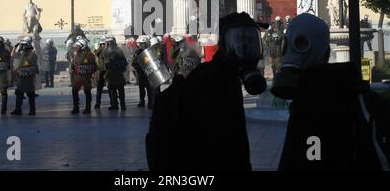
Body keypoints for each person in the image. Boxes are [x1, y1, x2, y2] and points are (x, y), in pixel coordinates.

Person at [146, 12, 268, 171]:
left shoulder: (227, 79)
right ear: (225, 44)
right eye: (238, 42)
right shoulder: (212, 80)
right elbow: (225, 146)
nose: (245, 50)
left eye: (252, 43)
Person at [271, 13, 389, 170]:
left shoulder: (313, 105)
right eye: (287, 44)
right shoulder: (355, 94)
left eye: (300, 43)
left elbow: (309, 159)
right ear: (326, 52)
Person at [11, 37, 39, 115]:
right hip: (21, 78)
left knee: (30, 95)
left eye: (23, 45)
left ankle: (32, 110)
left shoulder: (31, 55)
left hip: (28, 78)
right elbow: (13, 57)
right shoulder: (21, 54)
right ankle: (18, 109)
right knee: (20, 95)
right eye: (21, 45)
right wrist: (15, 47)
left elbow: (33, 65)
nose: (22, 47)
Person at [70, 38, 97, 114]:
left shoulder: (88, 54)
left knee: (86, 91)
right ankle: (77, 108)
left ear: (82, 46)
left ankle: (86, 108)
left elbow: (93, 66)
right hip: (79, 76)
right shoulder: (80, 54)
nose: (76, 47)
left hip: (84, 76)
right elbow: (74, 64)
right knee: (76, 91)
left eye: (78, 46)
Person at [103, 37, 128, 110]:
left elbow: (123, 62)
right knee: (118, 90)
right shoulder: (118, 50)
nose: (108, 44)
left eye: (108, 43)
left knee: (114, 90)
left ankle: (116, 105)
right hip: (116, 73)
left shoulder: (107, 50)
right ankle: (120, 105)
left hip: (113, 73)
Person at [132, 37, 154, 109]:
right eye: (142, 44)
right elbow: (133, 62)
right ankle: (142, 101)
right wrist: (138, 67)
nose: (143, 45)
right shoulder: (137, 52)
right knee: (141, 88)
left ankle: (150, 102)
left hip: (149, 72)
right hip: (141, 72)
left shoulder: (150, 51)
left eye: (144, 44)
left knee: (149, 88)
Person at [94, 37, 110, 109]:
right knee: (109, 88)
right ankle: (113, 102)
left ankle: (98, 103)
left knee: (100, 89)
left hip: (102, 71)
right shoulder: (106, 50)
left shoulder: (99, 50)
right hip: (104, 71)